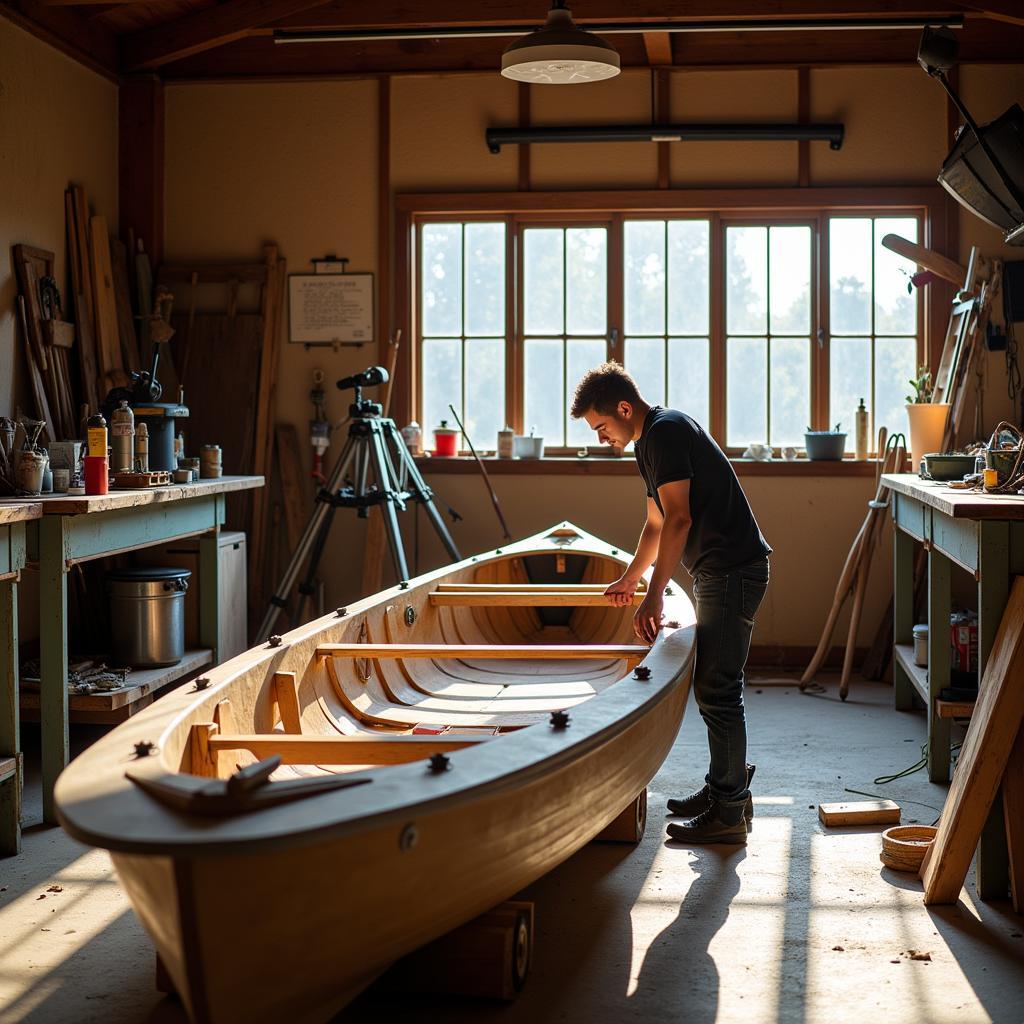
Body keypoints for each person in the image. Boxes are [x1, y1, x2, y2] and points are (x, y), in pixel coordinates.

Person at [570, 362, 771, 845]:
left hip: (732, 570)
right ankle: (726, 790)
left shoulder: (665, 433)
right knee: (715, 687)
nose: (601, 438)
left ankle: (728, 813)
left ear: (623, 408)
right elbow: (656, 524)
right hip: (719, 570)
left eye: (601, 427)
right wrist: (630, 579)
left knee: (719, 689)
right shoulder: (651, 440)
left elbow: (679, 520)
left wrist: (654, 595)